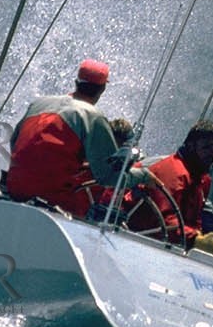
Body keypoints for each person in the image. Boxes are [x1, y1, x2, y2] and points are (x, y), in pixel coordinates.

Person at [8, 60, 125, 218]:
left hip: (13, 188)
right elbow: (108, 176)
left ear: (76, 82)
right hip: (52, 200)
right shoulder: (93, 116)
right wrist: (142, 176)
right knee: (92, 213)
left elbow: (14, 142)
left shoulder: (39, 103)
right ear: (102, 89)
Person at [128, 121, 213, 252]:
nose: (212, 154)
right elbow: (162, 219)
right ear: (191, 146)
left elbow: (194, 222)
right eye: (206, 147)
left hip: (173, 243)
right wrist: (196, 240)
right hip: (139, 242)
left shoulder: (202, 180)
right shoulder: (174, 173)